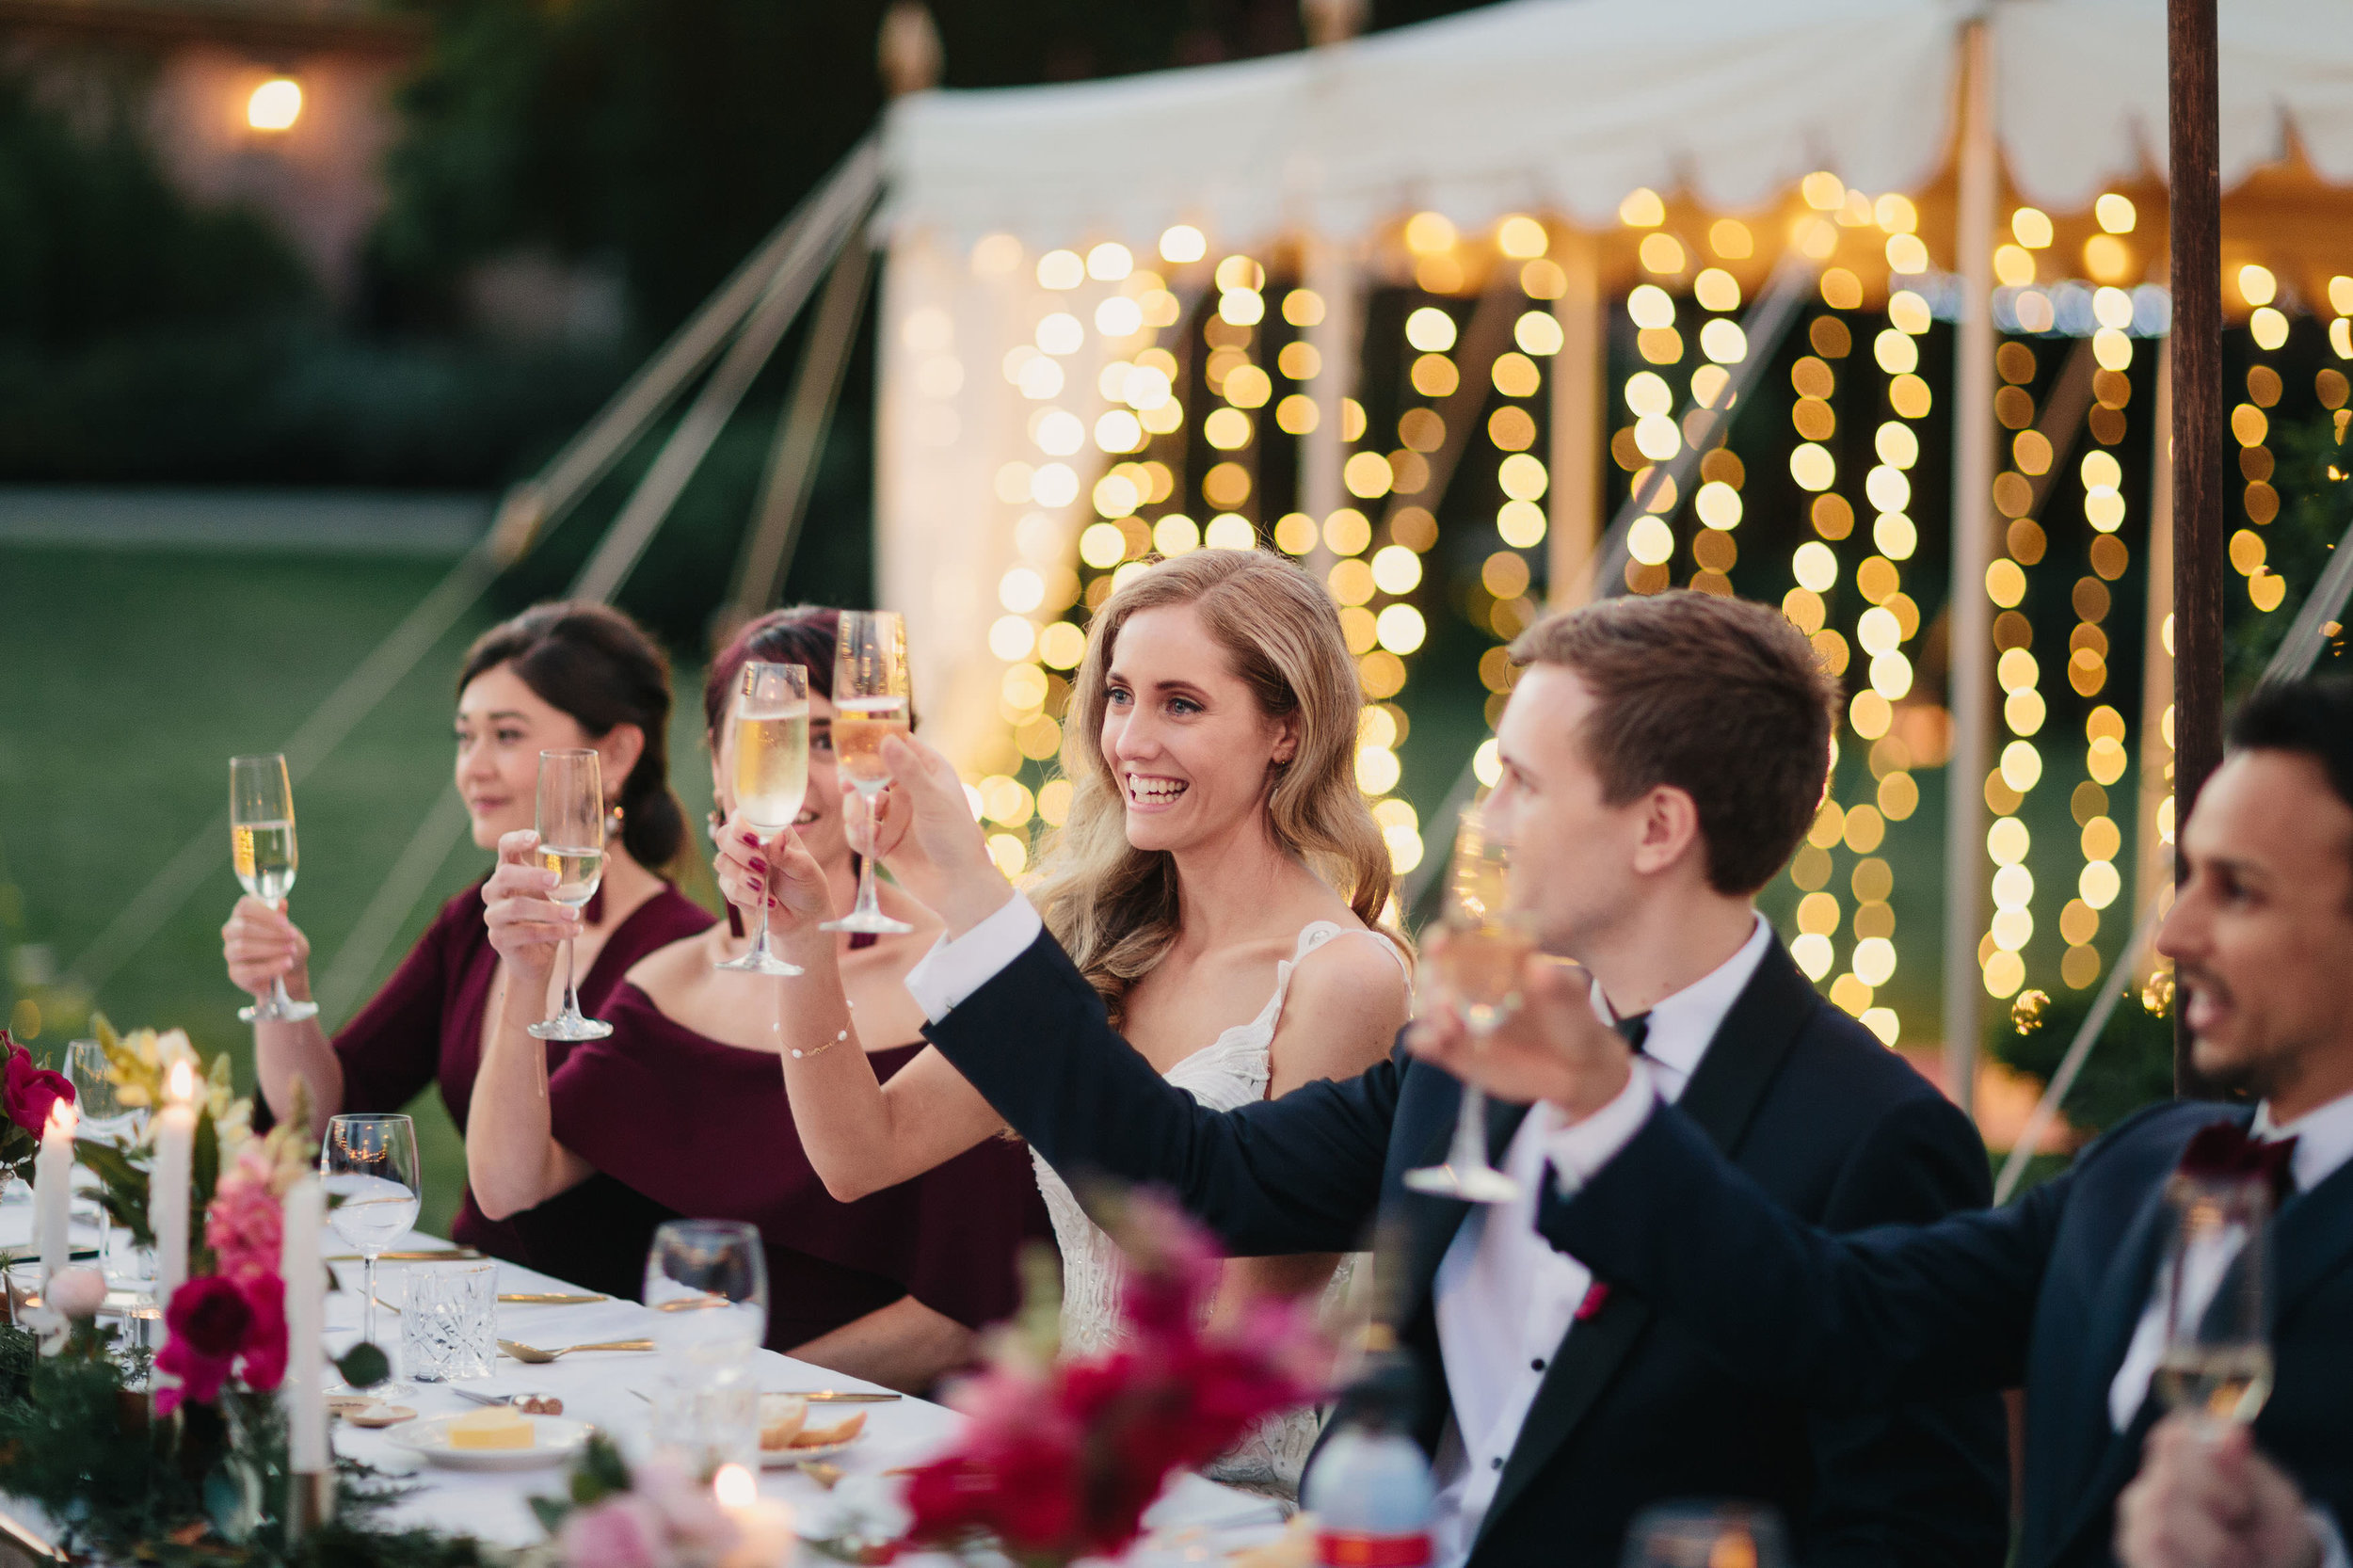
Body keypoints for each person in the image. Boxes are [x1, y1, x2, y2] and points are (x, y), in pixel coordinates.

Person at [760, 586, 2009, 1565]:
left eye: (1522, 781)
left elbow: (1912, 1540)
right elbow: (1188, 1179)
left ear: (1658, 827)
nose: (1488, 815)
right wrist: (971, 891)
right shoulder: (1475, 1056)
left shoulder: (1872, 1135)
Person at [1451, 672, 2353, 1568]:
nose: (2174, 935)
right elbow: (1835, 1312)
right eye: (2186, 877)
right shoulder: (2144, 1167)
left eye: (2239, 891)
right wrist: (1602, 1105)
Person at [723, 552, 1415, 1493]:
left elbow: (1241, 1351)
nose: (1129, 738)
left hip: (1228, 1501)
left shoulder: (1341, 979)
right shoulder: (1083, 937)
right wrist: (801, 946)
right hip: (1073, 1467)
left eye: (1181, 704)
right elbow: (858, 1153)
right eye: (1119, 694)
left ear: (1285, 730)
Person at [468, 607, 1047, 1386]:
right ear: (714, 762)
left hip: (864, 1423)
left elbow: (960, 1322)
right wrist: (527, 973)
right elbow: (509, 1186)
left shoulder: (951, 981)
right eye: (766, 738)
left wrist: (736, 1394)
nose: (801, 775)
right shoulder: (672, 980)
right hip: (675, 1395)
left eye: (827, 740)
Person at [218, 602, 712, 1292]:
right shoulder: (472, 922)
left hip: (600, 1332)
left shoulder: (681, 952)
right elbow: (325, 1120)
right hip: (466, 1303)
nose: (472, 768)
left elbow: (522, 1184)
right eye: (464, 737)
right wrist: (282, 994)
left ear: (619, 753)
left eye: (506, 736)